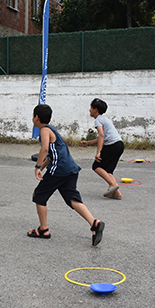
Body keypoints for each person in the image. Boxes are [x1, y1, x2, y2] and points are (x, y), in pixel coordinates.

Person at [28, 104, 105, 246]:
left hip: (60, 170)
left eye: (33, 116)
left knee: (39, 195)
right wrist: (42, 167)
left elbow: (44, 149)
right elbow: (51, 155)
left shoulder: (44, 131)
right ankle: (94, 223)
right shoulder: (52, 130)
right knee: (71, 198)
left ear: (36, 118)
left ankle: (43, 230)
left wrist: (37, 166)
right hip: (70, 169)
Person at [80, 98, 124, 200]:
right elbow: (102, 136)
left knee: (96, 166)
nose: (89, 110)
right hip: (119, 145)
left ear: (96, 110)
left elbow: (101, 135)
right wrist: (88, 143)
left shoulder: (98, 119)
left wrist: (98, 152)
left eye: (91, 108)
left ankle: (112, 185)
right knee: (108, 170)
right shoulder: (104, 119)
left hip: (112, 145)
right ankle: (117, 193)